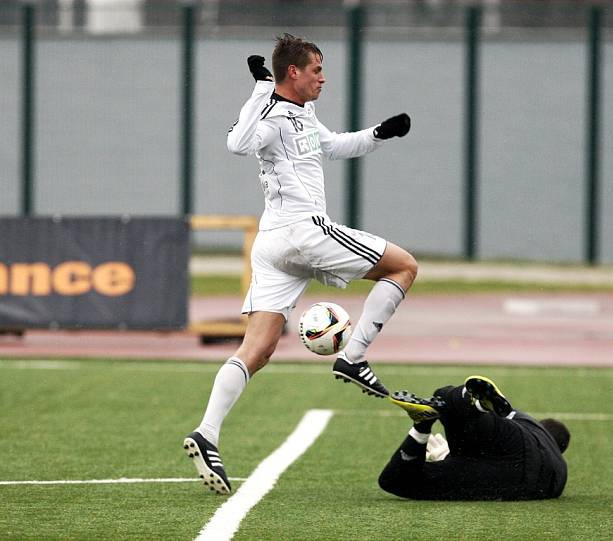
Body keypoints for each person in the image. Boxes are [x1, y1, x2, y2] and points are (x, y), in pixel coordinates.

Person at [183, 33, 417, 495]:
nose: (322, 78)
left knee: (259, 348)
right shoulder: (270, 113)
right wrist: (259, 88)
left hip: (274, 243)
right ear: (293, 72)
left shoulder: (304, 113)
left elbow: (330, 146)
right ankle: (354, 357)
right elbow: (236, 142)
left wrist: (378, 134)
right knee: (404, 267)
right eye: (316, 70)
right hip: (304, 232)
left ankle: (206, 433)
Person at [379, 375, 570, 501]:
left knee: (444, 399)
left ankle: (472, 402)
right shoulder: (560, 467)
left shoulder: (532, 427)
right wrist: (448, 458)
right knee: (395, 482)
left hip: (519, 443)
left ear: (542, 425)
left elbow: (492, 425)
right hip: (513, 483)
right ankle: (422, 426)